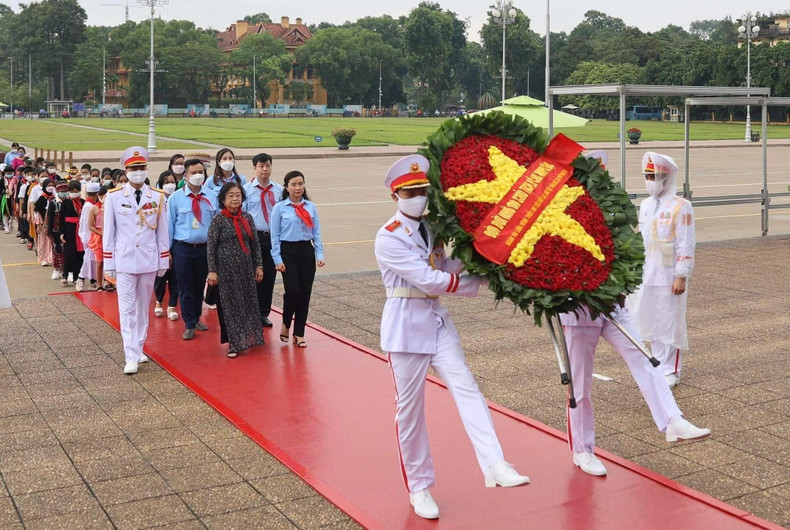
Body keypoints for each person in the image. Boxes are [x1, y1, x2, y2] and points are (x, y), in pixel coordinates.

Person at [374, 155, 529, 520]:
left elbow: (445, 266)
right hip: (405, 329)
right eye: (410, 192)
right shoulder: (388, 237)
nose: (418, 197)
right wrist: (472, 282)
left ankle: (494, 462)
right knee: (410, 412)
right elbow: (428, 279)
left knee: (467, 387)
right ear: (395, 196)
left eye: (422, 191)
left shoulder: (433, 229)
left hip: (436, 321)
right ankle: (419, 487)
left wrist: (482, 260)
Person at [560, 304, 710, 476]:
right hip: (578, 312)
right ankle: (582, 450)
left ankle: (672, 420)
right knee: (579, 383)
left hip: (611, 306)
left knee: (644, 359)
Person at [628, 153, 695, 388]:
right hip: (648, 271)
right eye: (647, 176)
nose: (650, 181)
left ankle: (671, 370)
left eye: (654, 176)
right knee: (652, 319)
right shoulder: (646, 205)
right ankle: (657, 364)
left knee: (670, 321)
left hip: (669, 273)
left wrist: (681, 275)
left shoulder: (681, 206)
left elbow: (685, 242)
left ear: (666, 178)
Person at [103, 146, 170, 374]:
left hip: (148, 259)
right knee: (126, 309)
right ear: (126, 171)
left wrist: (163, 260)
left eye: (141, 167)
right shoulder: (114, 197)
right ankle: (130, 355)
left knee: (142, 309)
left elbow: (162, 231)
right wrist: (109, 263)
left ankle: (139, 347)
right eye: (133, 169)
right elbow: (109, 233)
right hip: (124, 259)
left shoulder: (157, 196)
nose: (138, 172)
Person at [207, 182, 265, 357]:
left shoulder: (247, 217)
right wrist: (212, 270)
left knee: (248, 303)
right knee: (229, 306)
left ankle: (249, 338)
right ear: (223, 199)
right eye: (230, 196)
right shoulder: (218, 220)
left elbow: (255, 243)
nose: (235, 199)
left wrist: (259, 265)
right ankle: (233, 343)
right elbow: (211, 247)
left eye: (238, 195)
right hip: (225, 271)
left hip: (245, 269)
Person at [270, 171, 324, 348]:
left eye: (300, 184)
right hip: (287, 251)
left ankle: (299, 332)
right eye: (293, 184)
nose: (298, 188)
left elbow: (316, 232)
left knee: (305, 293)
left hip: (306, 250)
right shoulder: (280, 208)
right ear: (287, 187)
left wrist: (319, 254)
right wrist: (277, 259)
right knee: (293, 291)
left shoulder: (311, 206)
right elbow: (274, 235)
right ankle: (286, 322)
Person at [167, 158, 218, 340]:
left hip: (204, 248)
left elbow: (216, 223)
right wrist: (168, 251)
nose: (198, 175)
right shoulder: (175, 198)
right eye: (194, 173)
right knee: (185, 286)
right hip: (183, 248)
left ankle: (196, 317)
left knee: (199, 285)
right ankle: (189, 323)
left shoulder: (211, 196)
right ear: (186, 176)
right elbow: (169, 225)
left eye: (200, 172)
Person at [243, 153, 282, 327]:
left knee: (269, 277)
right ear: (254, 168)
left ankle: (263, 313)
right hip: (254, 237)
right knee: (253, 276)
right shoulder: (246, 190)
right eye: (261, 166)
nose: (265, 169)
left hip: (272, 237)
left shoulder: (278, 190)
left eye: (268, 165)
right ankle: (249, 313)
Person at [153, 170, 179, 319]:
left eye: (172, 182)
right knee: (161, 276)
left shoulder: (179, 198)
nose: (170, 185)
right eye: (166, 182)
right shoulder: (156, 199)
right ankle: (159, 301)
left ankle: (172, 305)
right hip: (160, 243)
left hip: (176, 243)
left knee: (175, 276)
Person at [58, 180, 85, 287]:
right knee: (68, 254)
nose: (74, 193)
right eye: (72, 191)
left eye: (76, 190)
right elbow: (61, 219)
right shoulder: (65, 203)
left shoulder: (83, 202)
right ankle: (64, 275)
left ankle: (76, 276)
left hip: (80, 231)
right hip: (69, 231)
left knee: (79, 254)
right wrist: (61, 233)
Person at [78, 182, 102, 291]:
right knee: (89, 260)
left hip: (91, 236)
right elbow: (87, 224)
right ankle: (81, 278)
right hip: (90, 237)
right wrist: (88, 239)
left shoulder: (90, 205)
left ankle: (93, 280)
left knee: (92, 260)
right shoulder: (89, 206)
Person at [87, 186, 111, 291]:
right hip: (98, 237)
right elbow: (90, 226)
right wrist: (101, 233)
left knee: (110, 260)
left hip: (109, 234)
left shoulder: (111, 207)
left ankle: (108, 282)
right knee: (100, 261)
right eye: (102, 196)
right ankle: (99, 284)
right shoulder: (94, 208)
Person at [47, 180, 68, 282]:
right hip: (56, 231)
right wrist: (49, 232)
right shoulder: (53, 203)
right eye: (62, 191)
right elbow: (50, 218)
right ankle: (56, 269)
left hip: (67, 231)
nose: (64, 193)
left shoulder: (70, 202)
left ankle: (67, 270)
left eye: (65, 191)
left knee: (67, 251)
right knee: (57, 250)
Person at [33, 178, 56, 270]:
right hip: (43, 224)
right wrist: (39, 225)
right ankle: (44, 259)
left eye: (52, 185)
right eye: (48, 186)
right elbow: (38, 213)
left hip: (53, 224)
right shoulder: (41, 198)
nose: (50, 187)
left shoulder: (55, 198)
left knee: (52, 242)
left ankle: (52, 258)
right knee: (44, 242)